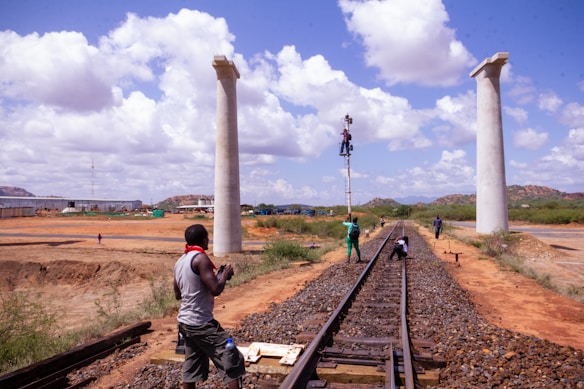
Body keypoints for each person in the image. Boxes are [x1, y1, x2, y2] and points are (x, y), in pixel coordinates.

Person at [173, 224, 245, 389]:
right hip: (201, 323)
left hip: (185, 323)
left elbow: (178, 294)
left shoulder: (180, 261)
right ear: (203, 239)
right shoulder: (201, 258)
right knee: (231, 357)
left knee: (191, 365)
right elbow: (215, 289)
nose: (209, 240)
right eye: (207, 237)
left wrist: (213, 279)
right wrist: (224, 275)